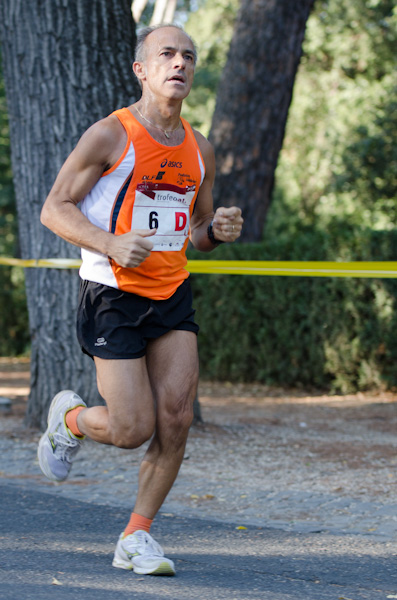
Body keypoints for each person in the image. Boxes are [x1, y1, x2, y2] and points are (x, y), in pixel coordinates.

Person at [38, 23, 243, 576]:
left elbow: (195, 232)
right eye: (167, 54)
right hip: (113, 293)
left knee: (175, 419)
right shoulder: (110, 135)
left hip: (172, 294)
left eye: (189, 57)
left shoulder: (200, 150)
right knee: (132, 430)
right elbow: (54, 208)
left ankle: (136, 536)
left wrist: (217, 230)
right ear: (142, 70)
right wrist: (109, 243)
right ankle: (72, 420)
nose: (179, 63)